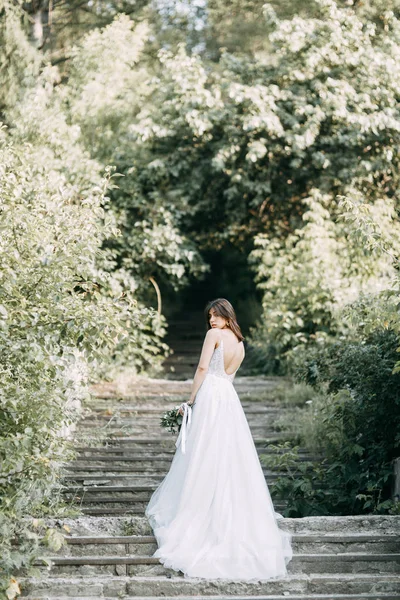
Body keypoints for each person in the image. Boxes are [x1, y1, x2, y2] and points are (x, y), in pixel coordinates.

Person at [145, 298, 293, 581]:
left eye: (217, 315)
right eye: (210, 316)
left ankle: (200, 513)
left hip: (212, 394)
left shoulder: (215, 336)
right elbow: (230, 377)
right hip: (228, 398)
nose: (212, 320)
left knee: (204, 453)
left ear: (227, 315)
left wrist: (190, 401)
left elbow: (202, 369)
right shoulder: (240, 343)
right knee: (227, 455)